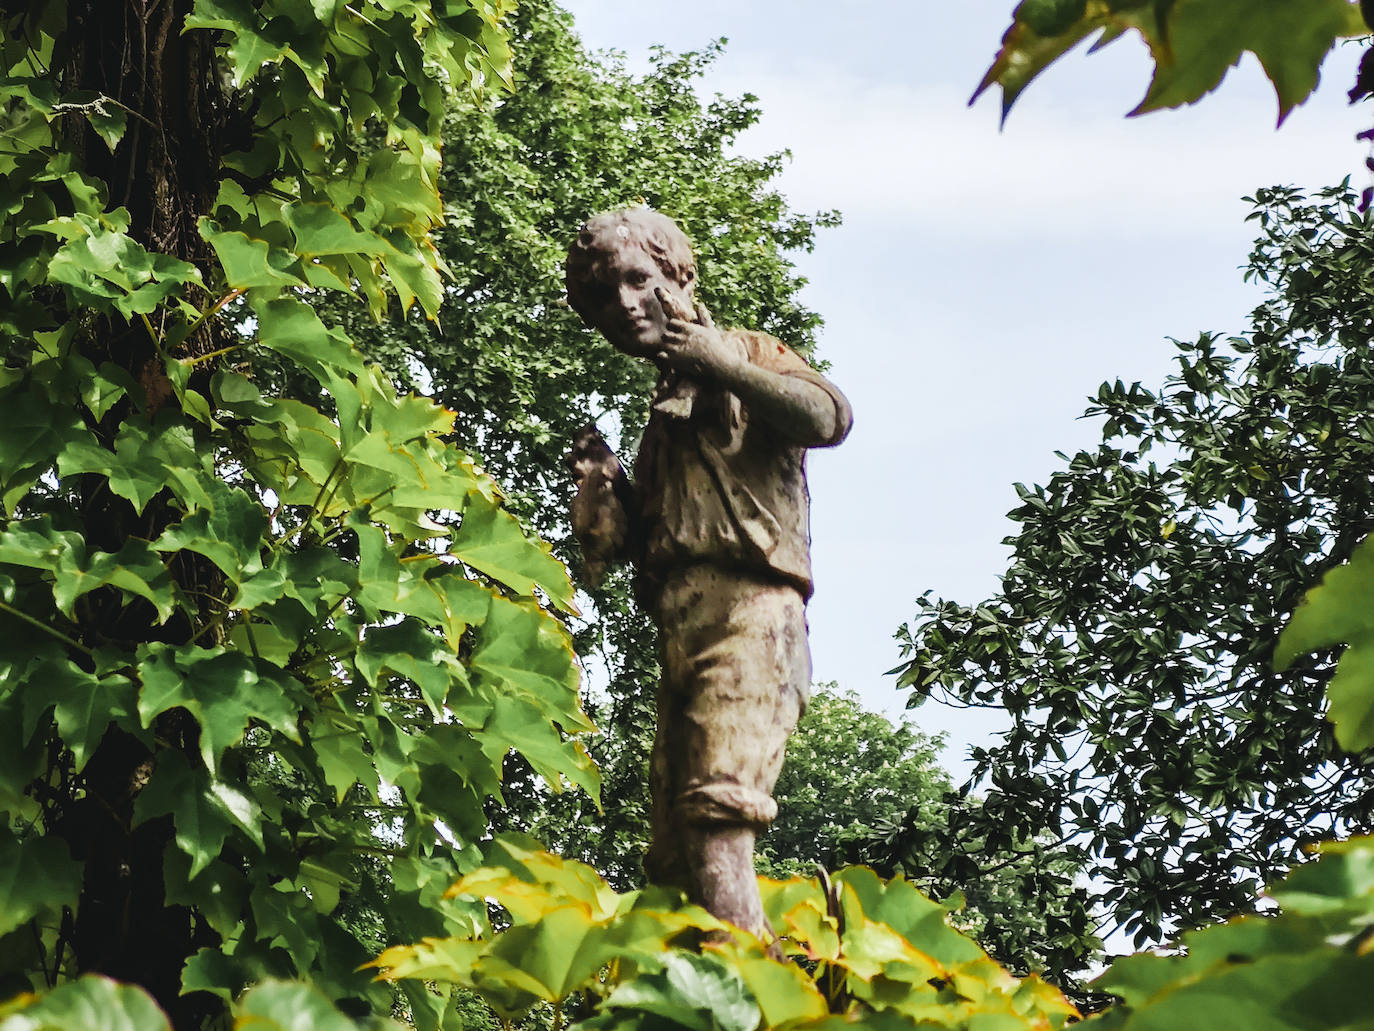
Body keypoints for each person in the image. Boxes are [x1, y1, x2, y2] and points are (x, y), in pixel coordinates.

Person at [564, 208, 852, 933]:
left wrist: (728, 364)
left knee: (717, 814)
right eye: (603, 296)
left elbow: (827, 416)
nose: (623, 304)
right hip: (682, 631)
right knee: (671, 858)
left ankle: (759, 993)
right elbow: (665, 535)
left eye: (637, 280)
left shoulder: (747, 351)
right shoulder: (665, 413)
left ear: (678, 275)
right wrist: (611, 493)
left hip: (750, 615)